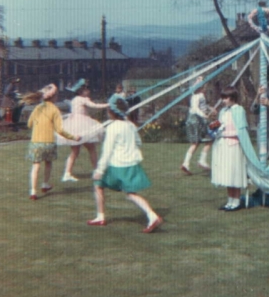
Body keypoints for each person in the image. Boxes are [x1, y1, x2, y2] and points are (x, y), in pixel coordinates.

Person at [86, 95, 163, 233]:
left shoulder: (112, 128)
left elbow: (107, 150)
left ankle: (101, 216)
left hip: (117, 165)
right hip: (131, 164)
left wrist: (99, 170)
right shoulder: (131, 125)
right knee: (128, 193)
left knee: (98, 184)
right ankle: (151, 215)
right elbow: (138, 142)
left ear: (111, 112)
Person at [21, 84, 81, 200]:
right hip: (49, 142)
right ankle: (45, 184)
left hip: (36, 142)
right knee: (48, 163)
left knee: (36, 166)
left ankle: (33, 191)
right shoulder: (55, 109)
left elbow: (29, 124)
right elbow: (59, 130)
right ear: (53, 97)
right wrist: (74, 137)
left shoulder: (38, 108)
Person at [57, 79, 109, 182]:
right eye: (87, 89)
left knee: (75, 151)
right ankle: (96, 170)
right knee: (91, 149)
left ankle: (67, 173)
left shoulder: (74, 99)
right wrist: (108, 105)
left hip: (73, 125)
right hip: (82, 125)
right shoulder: (83, 99)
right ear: (82, 91)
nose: (89, 91)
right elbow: (95, 106)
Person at [210, 86, 249, 211]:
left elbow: (241, 131)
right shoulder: (223, 111)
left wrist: (225, 134)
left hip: (234, 146)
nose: (223, 100)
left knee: (234, 173)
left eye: (226, 98)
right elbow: (221, 126)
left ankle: (236, 201)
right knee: (226, 173)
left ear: (233, 98)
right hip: (223, 146)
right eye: (222, 98)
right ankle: (229, 200)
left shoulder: (239, 110)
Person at [181, 77, 215, 175]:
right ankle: (202, 160)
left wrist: (210, 108)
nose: (205, 88)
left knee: (195, 143)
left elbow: (200, 106)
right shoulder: (198, 95)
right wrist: (204, 115)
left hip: (191, 121)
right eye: (204, 87)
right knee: (209, 139)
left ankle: (186, 163)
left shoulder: (195, 96)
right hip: (197, 121)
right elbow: (196, 109)